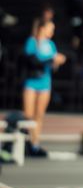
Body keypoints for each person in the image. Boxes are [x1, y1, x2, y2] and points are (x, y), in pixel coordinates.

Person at [23, 20, 66, 156]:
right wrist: (52, 57)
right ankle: (27, 142)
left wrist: (57, 61)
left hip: (45, 82)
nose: (52, 32)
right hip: (31, 81)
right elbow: (33, 59)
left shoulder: (51, 44)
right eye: (50, 28)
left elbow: (53, 66)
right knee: (28, 115)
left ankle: (35, 144)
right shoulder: (32, 41)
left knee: (39, 115)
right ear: (42, 28)